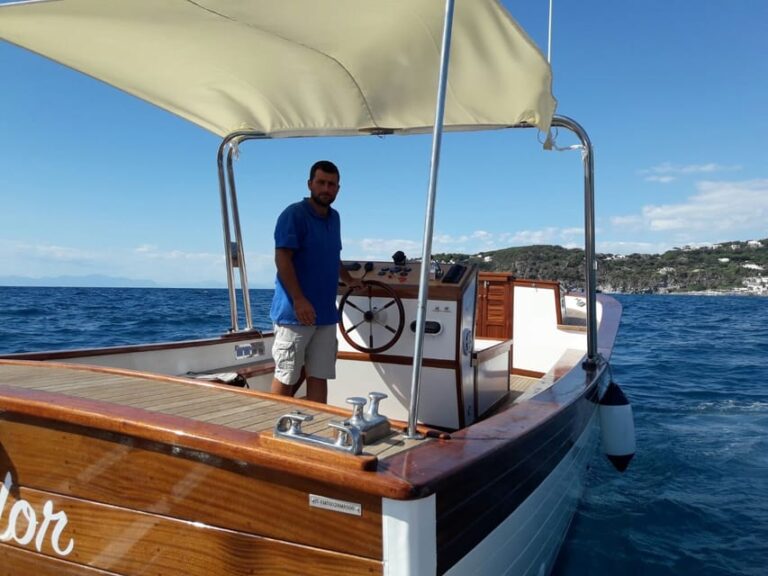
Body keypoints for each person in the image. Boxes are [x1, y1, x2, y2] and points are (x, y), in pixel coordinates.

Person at [269, 160, 362, 403]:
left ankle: (315, 434)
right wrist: (299, 300)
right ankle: (273, 433)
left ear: (338, 189)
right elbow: (282, 258)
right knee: (287, 376)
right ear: (310, 184)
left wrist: (349, 280)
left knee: (319, 376)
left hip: (326, 315)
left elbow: (333, 256)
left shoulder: (335, 218)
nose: (326, 188)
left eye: (331, 184)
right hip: (294, 315)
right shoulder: (294, 215)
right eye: (321, 182)